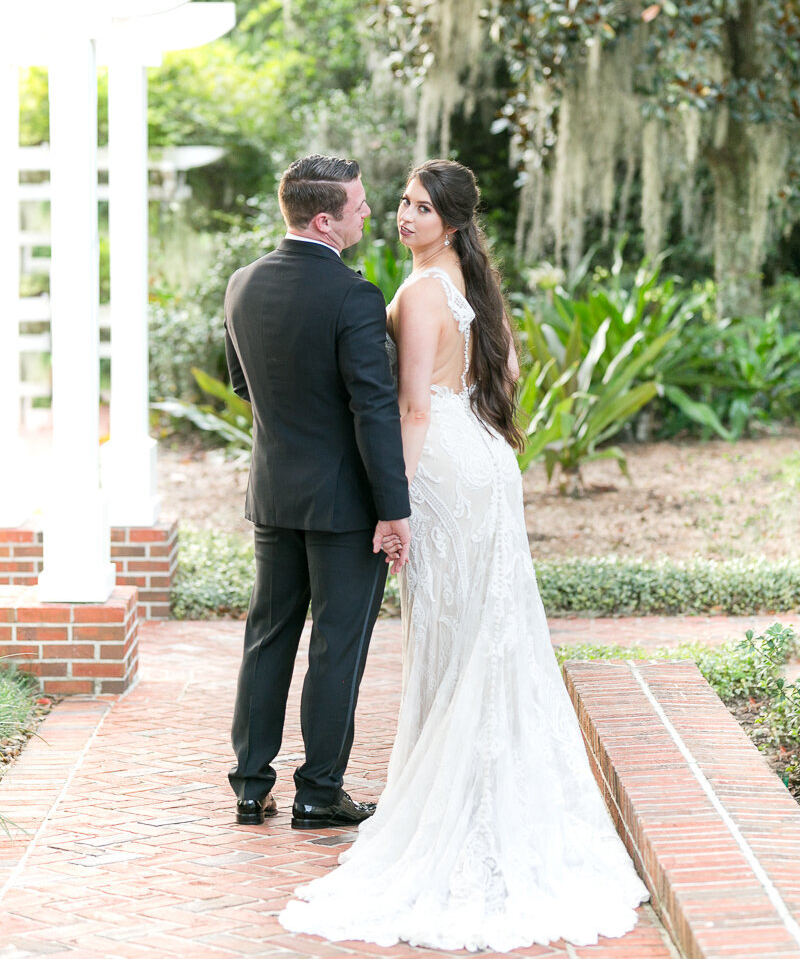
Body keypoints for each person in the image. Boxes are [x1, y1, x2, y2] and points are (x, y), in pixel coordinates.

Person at [279, 160, 649, 950]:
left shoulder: (417, 292)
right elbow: (501, 374)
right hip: (484, 455)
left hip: (442, 467)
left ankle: (461, 801)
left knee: (453, 636)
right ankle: (492, 790)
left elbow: (412, 404)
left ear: (449, 219)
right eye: (403, 203)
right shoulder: (472, 284)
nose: (404, 216)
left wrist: (396, 507)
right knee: (489, 625)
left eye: (419, 207)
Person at [224, 154, 411, 831]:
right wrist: (394, 509)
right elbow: (373, 408)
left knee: (267, 637)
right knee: (337, 644)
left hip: (273, 494)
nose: (370, 211)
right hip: (344, 507)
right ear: (326, 218)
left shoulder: (242, 284)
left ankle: (250, 786)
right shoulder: (353, 295)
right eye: (359, 204)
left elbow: (245, 385)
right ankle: (318, 792)